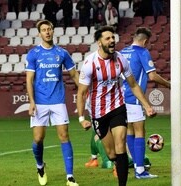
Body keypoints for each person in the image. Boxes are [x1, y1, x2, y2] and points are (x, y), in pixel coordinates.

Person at [76, 26, 156, 186]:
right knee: (112, 154)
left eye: (113, 37)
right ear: (99, 42)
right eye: (108, 38)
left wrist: (146, 105)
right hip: (98, 113)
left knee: (121, 145)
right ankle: (116, 162)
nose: (112, 40)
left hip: (118, 107)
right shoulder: (89, 63)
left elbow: (133, 85)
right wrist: (81, 118)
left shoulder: (120, 59)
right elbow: (81, 92)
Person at [25, 20, 79, 186]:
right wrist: (32, 101)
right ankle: (40, 166)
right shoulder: (33, 54)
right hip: (40, 102)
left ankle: (70, 177)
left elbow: (74, 75)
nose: (47, 32)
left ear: (53, 31)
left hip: (58, 101)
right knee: (38, 138)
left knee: (64, 136)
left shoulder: (62, 53)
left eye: (49, 29)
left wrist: (85, 91)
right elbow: (29, 79)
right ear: (39, 33)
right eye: (44, 30)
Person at [120, 27, 170, 179]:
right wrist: (169, 84)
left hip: (121, 97)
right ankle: (140, 171)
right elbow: (153, 76)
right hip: (134, 98)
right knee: (140, 131)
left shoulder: (122, 52)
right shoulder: (142, 52)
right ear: (146, 41)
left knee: (129, 131)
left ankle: (137, 165)